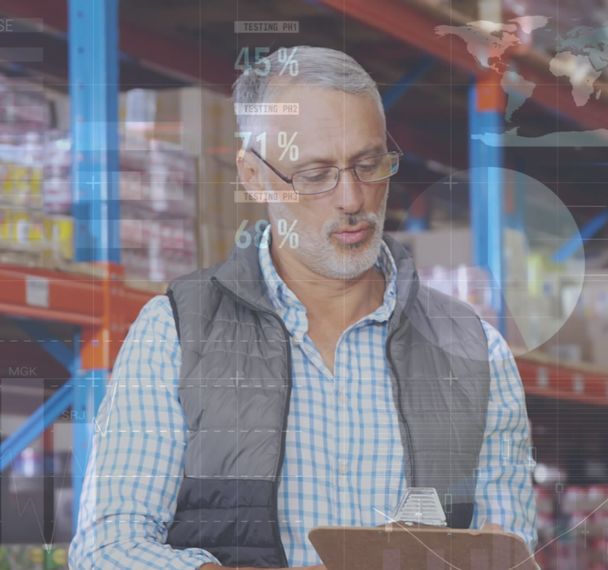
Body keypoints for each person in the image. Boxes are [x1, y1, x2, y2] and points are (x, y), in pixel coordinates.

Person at [69, 46, 536, 569]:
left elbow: (510, 545)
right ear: (252, 175)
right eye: (315, 175)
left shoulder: (476, 353)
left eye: (369, 163)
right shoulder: (176, 333)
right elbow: (105, 549)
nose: (352, 199)